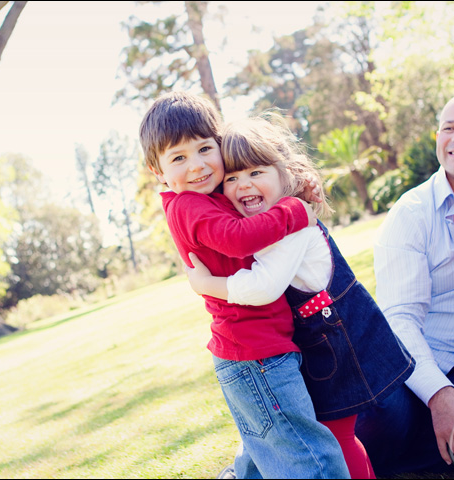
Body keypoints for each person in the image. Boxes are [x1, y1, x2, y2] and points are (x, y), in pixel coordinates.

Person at [185, 113, 415, 480]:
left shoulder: (289, 229)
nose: (244, 185)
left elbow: (263, 287)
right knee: (315, 434)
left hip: (336, 346)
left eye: (256, 172)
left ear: (284, 173)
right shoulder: (272, 223)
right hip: (318, 344)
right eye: (232, 178)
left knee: (337, 438)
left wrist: (207, 285)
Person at [139, 91, 351, 479]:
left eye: (205, 149)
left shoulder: (207, 195)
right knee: (311, 456)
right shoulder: (187, 206)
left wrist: (295, 185)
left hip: (250, 353)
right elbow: (240, 238)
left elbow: (258, 186)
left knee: (269, 444)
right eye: (178, 158)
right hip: (257, 355)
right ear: (158, 170)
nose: (198, 166)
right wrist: (295, 210)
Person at [353, 91, 454, 475]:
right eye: (449, 128)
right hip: (409, 360)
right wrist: (440, 395)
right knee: (382, 423)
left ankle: (393, 463)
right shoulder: (410, 214)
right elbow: (400, 320)